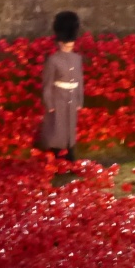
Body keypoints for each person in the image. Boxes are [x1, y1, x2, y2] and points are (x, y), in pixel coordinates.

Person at [39, 11, 84, 162]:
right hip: (58, 98)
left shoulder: (77, 59)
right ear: (60, 43)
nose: (69, 48)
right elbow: (47, 84)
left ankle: (70, 155)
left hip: (71, 98)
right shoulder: (53, 60)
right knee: (57, 129)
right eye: (67, 45)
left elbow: (79, 80)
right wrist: (49, 103)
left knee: (70, 129)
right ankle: (57, 157)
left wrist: (79, 100)